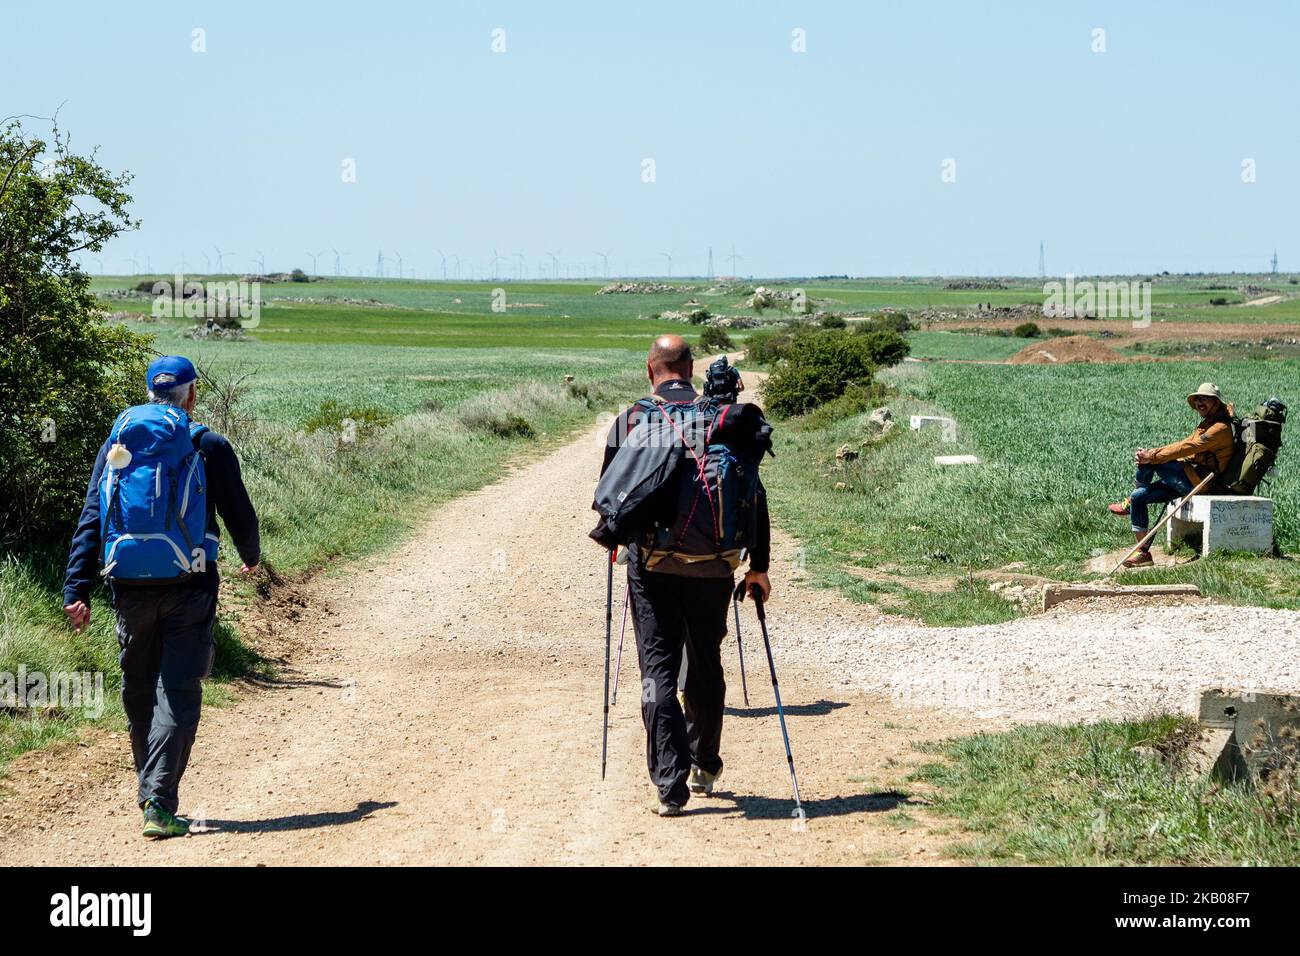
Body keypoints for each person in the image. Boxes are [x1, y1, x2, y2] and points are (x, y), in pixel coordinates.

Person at [62, 356, 260, 838]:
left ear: (151, 392)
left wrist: (76, 587)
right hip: (189, 584)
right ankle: (159, 802)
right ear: (190, 394)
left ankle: (149, 791)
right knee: (178, 692)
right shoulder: (205, 443)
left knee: (138, 691)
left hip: (127, 585)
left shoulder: (117, 446)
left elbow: (94, 516)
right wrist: (251, 555)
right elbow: (238, 510)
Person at [598, 335, 772, 816]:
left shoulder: (633, 419)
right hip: (716, 566)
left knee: (657, 672)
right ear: (691, 369)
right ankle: (706, 765)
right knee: (705, 663)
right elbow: (754, 497)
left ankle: (669, 788)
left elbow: (611, 494)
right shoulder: (721, 418)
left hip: (652, 566)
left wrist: (618, 545)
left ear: (650, 369)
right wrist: (758, 567)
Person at [1107, 382, 1234, 568]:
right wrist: (1152, 454)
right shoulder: (1207, 423)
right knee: (1138, 497)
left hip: (1201, 484)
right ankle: (1143, 553)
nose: (1199, 403)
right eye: (1197, 399)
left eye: (1204, 399)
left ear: (1216, 402)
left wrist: (1151, 456)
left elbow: (1189, 447)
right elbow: (1184, 444)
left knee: (1153, 461)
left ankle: (1129, 502)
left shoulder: (1220, 429)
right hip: (1188, 477)